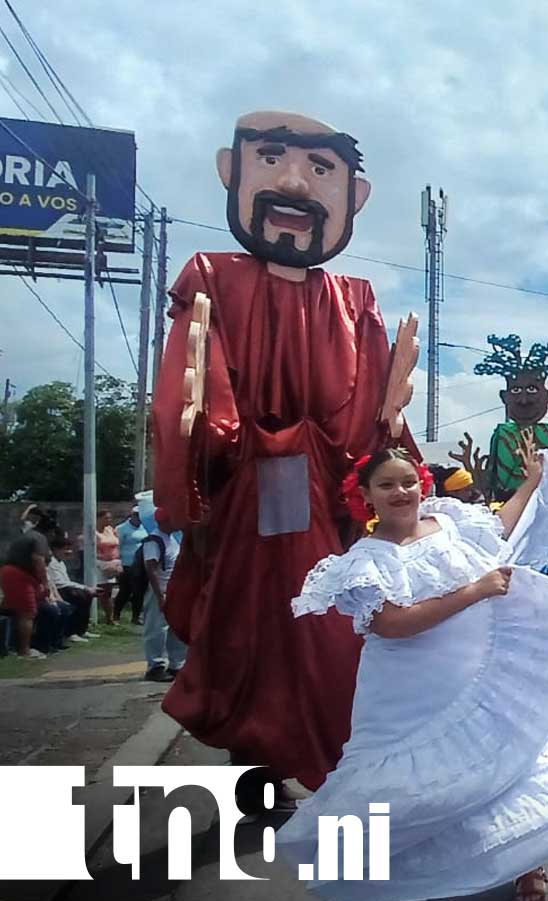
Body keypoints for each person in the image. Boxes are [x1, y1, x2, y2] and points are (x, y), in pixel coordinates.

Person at [151, 111, 417, 797]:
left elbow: (375, 417)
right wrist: (230, 449)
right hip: (253, 498)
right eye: (270, 158)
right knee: (256, 631)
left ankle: (340, 763)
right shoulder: (212, 274)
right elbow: (195, 391)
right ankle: (264, 758)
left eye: (321, 169)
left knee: (335, 635)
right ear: (230, 171)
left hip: (329, 501)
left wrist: (399, 488)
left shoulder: (355, 299)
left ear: (353, 197)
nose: (294, 180)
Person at [281, 445, 548, 901]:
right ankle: (341, 896)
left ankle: (526, 864)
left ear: (422, 481)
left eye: (408, 480)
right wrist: (475, 591)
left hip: (475, 673)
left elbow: (500, 528)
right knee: (377, 788)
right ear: (365, 497)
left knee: (513, 761)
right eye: (387, 485)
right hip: (405, 689)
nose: (401, 492)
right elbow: (393, 625)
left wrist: (530, 483)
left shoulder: (451, 522)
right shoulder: (364, 561)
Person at [2, 505, 53, 659]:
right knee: (27, 613)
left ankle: (14, 645)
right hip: (19, 574)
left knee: (14, 609)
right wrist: (45, 583)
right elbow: (38, 560)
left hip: (15, 573)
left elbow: (23, 519)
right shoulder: (39, 538)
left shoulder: (27, 534)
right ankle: (24, 651)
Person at [142, 508, 186, 683]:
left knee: (176, 627)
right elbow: (151, 568)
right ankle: (155, 665)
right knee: (157, 628)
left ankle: (177, 663)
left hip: (174, 588)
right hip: (160, 588)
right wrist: (160, 595)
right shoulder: (154, 540)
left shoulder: (171, 539)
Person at [47, 537, 99, 642]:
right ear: (55, 549)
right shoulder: (51, 562)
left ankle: (81, 630)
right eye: (65, 549)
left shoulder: (60, 562)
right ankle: (71, 632)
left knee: (87, 596)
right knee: (79, 596)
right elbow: (60, 583)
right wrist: (85, 588)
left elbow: (66, 581)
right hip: (57, 591)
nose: (69, 552)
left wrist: (86, 589)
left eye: (70, 549)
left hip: (65, 588)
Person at [113, 506, 147, 625]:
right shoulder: (122, 528)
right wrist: (118, 562)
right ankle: (116, 615)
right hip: (127, 563)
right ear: (131, 515)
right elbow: (117, 546)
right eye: (136, 515)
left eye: (140, 515)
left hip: (141, 564)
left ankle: (136, 617)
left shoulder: (145, 528)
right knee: (125, 591)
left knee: (139, 592)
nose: (138, 517)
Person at [94, 511, 122, 626]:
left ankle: (109, 617)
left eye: (110, 518)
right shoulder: (94, 532)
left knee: (109, 591)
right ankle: (99, 617)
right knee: (102, 590)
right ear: (99, 518)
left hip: (112, 563)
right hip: (100, 563)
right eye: (106, 518)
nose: (109, 520)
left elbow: (116, 543)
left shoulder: (110, 529)